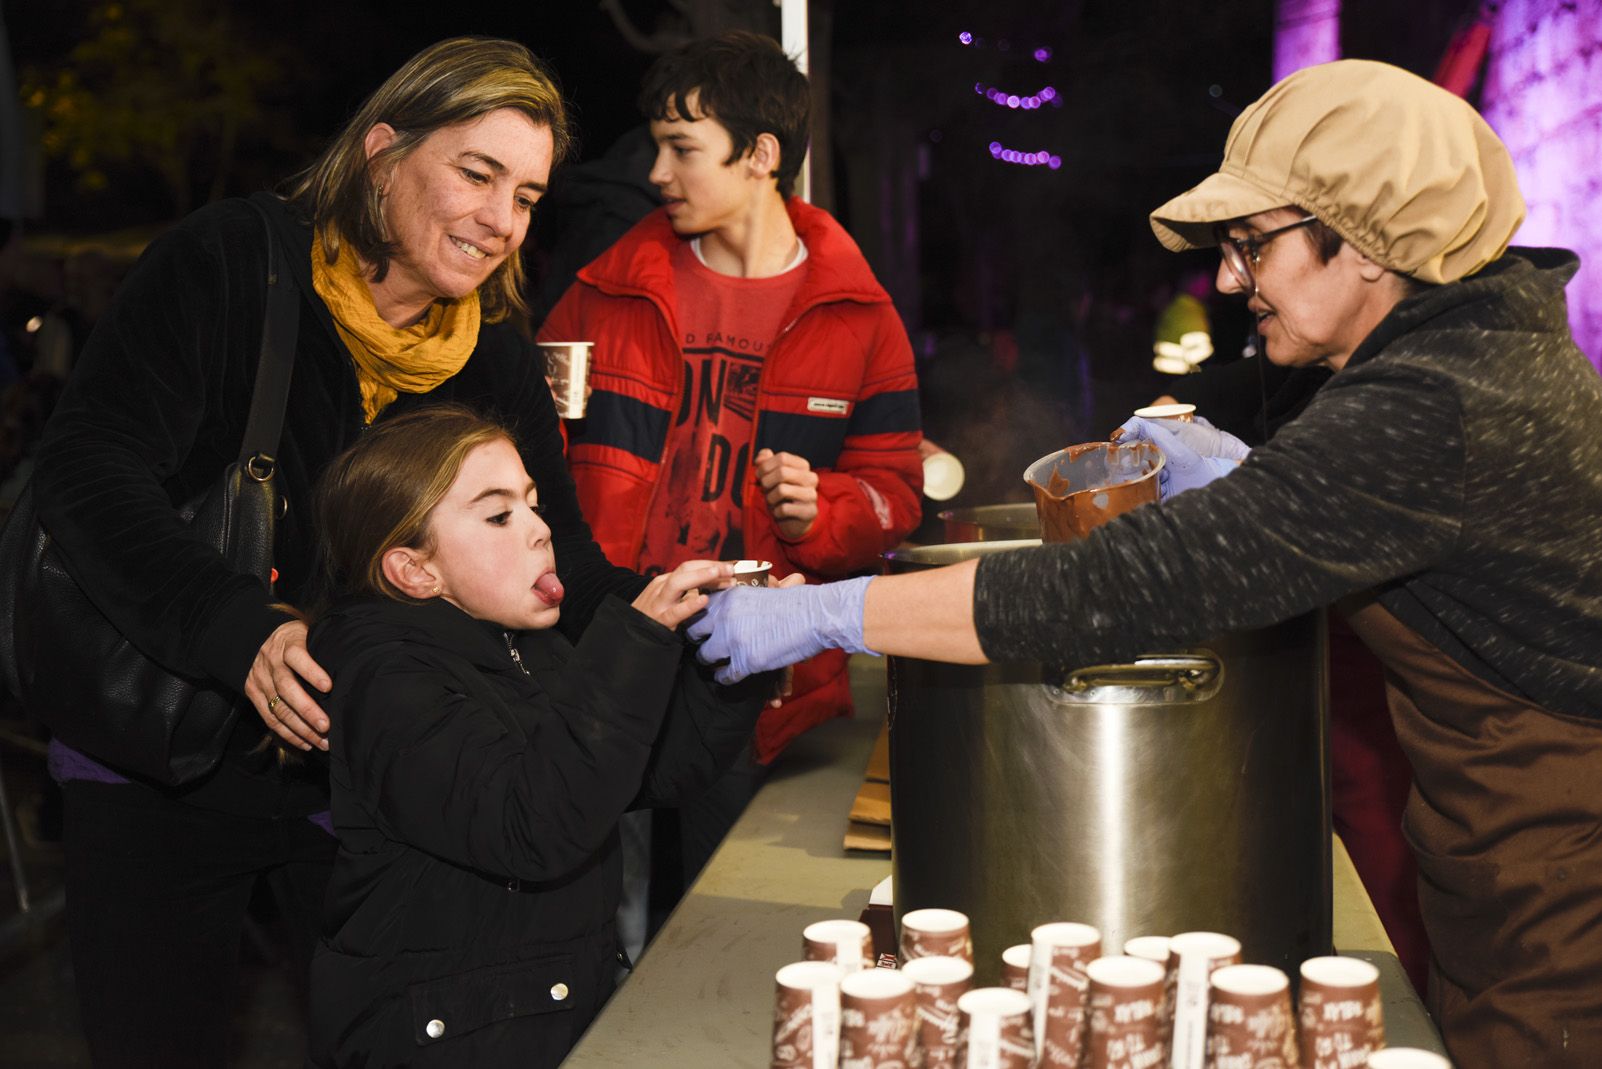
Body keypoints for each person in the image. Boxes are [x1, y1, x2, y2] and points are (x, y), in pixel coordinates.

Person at [689, 59, 1602, 1068]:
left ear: (1373, 243)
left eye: (1252, 244)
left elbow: (1112, 591)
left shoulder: (1438, 403)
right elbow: (1265, 400)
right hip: (1508, 860)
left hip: (1570, 877)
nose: (1225, 279)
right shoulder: (1444, 349)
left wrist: (830, 612)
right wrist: (1191, 424)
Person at [29, 38, 658, 1067]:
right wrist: (241, 633)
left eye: (531, 196)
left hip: (358, 780)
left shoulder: (493, 353)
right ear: (381, 153)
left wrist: (682, 621)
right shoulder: (232, 262)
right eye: (477, 173)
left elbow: (565, 570)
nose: (503, 221)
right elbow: (87, 473)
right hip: (160, 757)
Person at [538, 31, 922, 906]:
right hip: (606, 655)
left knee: (722, 918)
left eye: (682, 148)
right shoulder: (601, 291)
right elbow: (531, 463)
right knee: (601, 917)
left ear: (761, 155)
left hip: (751, 678)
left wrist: (820, 508)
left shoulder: (862, 316)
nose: (659, 174)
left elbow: (895, 498)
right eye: (657, 147)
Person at [304, 405, 769, 1067]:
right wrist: (633, 639)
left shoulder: (525, 644)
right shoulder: (387, 684)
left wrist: (737, 659)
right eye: (499, 516)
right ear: (414, 571)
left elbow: (648, 771)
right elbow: (537, 825)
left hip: (541, 1018)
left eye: (533, 504)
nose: (540, 530)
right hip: (435, 1043)